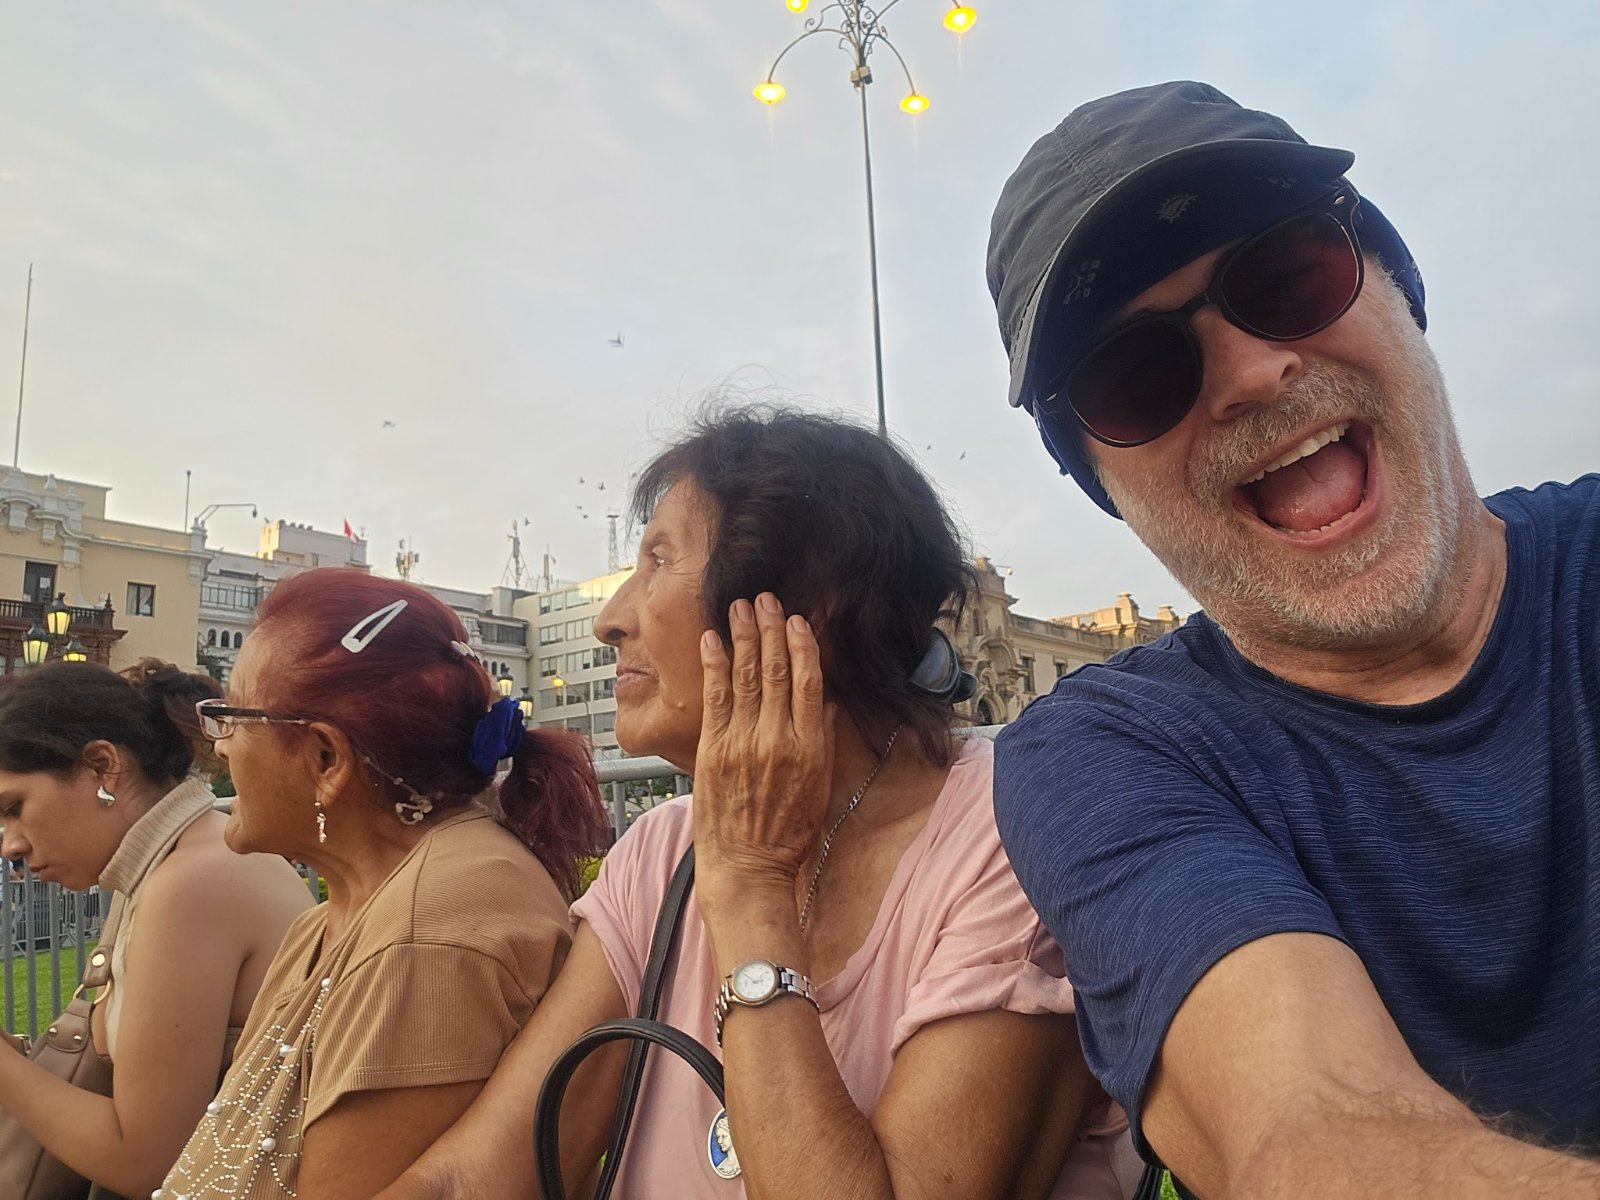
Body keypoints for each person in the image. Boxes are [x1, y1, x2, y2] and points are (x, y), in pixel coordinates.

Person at [983, 79, 1600, 1196]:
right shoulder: (1109, 755)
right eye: (1135, 377)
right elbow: (1310, 1142)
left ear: (1398, 284)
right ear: (1103, 484)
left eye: (1287, 276)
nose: (1253, 373)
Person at [379, 407, 1134, 1200]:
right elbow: (477, 1175)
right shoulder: (662, 851)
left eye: (658, 559)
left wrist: (749, 889)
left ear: (803, 607)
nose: (609, 621)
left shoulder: (1011, 832)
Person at [155, 570, 610, 1199]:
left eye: (230, 718)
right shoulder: (340, 915)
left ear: (326, 759)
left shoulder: (430, 931)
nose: (221, 748)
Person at [0, 659, 313, 1198]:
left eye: (14, 807)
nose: (11, 846)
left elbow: (145, 1162)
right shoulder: (177, 862)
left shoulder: (190, 883)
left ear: (102, 766)